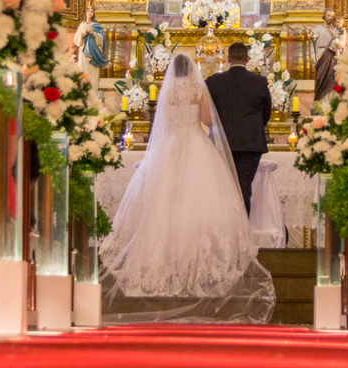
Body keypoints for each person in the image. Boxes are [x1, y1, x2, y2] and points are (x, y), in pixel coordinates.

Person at [100, 54, 274, 324]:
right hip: (196, 145)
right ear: (191, 70)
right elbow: (207, 120)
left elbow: (162, 122)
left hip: (169, 147)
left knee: (164, 202)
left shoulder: (167, 90)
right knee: (200, 201)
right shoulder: (198, 88)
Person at [205, 41, 272, 216]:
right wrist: (253, 128)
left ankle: (224, 227)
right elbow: (266, 113)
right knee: (243, 189)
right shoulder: (260, 81)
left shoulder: (213, 81)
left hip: (222, 143)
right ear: (248, 59)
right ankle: (243, 229)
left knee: (222, 188)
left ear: (228, 59)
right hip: (251, 144)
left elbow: (208, 111)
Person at [311, 9, 346, 107]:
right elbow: (313, 45)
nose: (330, 18)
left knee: (332, 80)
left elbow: (342, 42)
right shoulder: (317, 29)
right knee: (321, 79)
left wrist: (341, 47)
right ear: (324, 16)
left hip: (333, 57)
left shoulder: (336, 29)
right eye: (328, 15)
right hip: (321, 56)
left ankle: (330, 105)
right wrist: (313, 56)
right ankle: (319, 103)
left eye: (332, 16)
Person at [73, 4, 109, 92]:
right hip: (83, 53)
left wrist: (94, 34)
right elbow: (76, 40)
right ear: (85, 13)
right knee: (83, 74)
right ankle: (83, 94)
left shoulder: (96, 25)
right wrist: (85, 32)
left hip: (94, 54)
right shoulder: (82, 25)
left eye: (92, 11)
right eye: (88, 11)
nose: (90, 13)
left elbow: (103, 39)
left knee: (93, 75)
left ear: (93, 14)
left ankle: (93, 94)